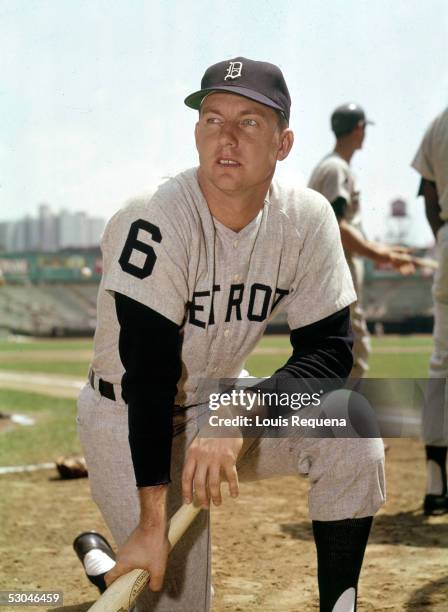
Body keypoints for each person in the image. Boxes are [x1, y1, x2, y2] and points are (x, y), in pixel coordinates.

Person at [75, 57, 385, 611]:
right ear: (197, 133)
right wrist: (152, 520)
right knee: (177, 597)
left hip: (219, 401)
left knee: (353, 428)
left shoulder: (306, 219)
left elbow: (328, 355)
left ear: (283, 143)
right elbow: (149, 374)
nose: (227, 137)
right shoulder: (153, 218)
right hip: (128, 413)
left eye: (249, 122)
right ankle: (113, 561)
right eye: (213, 119)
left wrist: (238, 412)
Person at [309, 104, 414, 378]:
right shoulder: (335, 168)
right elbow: (338, 226)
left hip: (332, 273)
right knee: (352, 352)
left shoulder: (332, 166)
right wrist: (381, 256)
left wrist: (385, 249)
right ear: (359, 128)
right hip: (336, 273)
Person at [412, 107, 448, 515]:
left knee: (442, 365)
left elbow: (429, 193)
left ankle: (436, 484)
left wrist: (443, 236)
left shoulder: (437, 122)